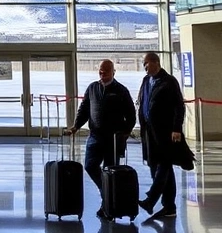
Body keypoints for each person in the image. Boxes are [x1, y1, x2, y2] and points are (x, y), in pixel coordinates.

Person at [63, 59, 137, 220]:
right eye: (100, 72)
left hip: (113, 139)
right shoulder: (92, 88)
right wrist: (75, 127)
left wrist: (125, 132)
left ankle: (108, 205)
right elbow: (84, 110)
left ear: (113, 72)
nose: (102, 74)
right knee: (90, 166)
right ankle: (107, 193)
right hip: (95, 136)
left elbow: (131, 115)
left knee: (110, 171)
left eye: (106, 72)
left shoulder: (121, 90)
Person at [137, 52, 185, 219]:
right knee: (156, 167)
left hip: (165, 132)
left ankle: (151, 199)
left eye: (146, 63)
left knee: (163, 166)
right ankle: (169, 206)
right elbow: (143, 101)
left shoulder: (169, 81)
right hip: (149, 132)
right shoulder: (146, 81)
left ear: (156, 62)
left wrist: (176, 129)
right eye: (143, 64)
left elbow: (179, 106)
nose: (144, 67)